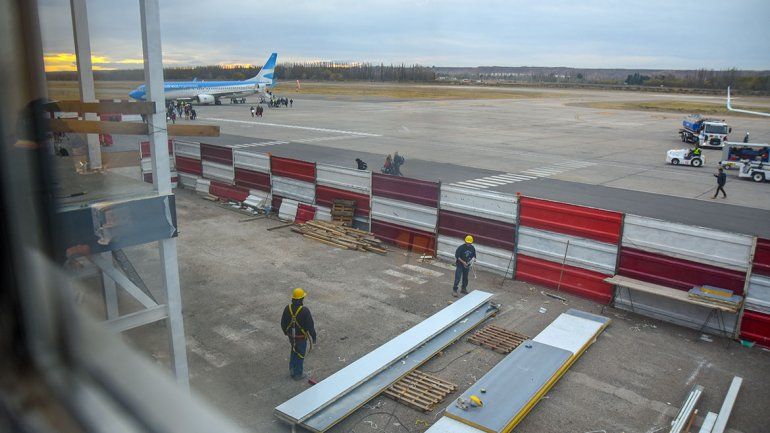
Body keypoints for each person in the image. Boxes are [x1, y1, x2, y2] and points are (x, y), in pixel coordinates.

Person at [280, 288, 317, 380]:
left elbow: (283, 323)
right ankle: (298, 374)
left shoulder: (287, 308)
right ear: (301, 299)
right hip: (301, 338)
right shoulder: (305, 311)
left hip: (291, 337)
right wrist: (314, 337)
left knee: (294, 350)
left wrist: (286, 333)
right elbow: (310, 326)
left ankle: (292, 369)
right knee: (300, 355)